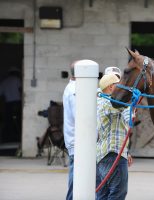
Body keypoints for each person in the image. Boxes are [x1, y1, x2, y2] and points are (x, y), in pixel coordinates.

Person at [96, 73, 131, 200]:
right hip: (113, 154)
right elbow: (121, 107)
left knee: (103, 194)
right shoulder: (107, 103)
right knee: (117, 193)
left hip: (107, 154)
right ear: (111, 87)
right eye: (119, 85)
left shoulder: (101, 101)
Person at [63, 61, 76, 200]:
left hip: (76, 140)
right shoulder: (75, 90)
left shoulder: (72, 87)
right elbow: (81, 118)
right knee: (76, 181)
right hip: (77, 140)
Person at [0, 67, 22, 142]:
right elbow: (21, 90)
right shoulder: (17, 79)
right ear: (16, 73)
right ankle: (18, 137)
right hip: (17, 103)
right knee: (18, 121)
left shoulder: (4, 81)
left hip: (8, 104)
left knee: (8, 122)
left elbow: (1, 94)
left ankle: (7, 138)